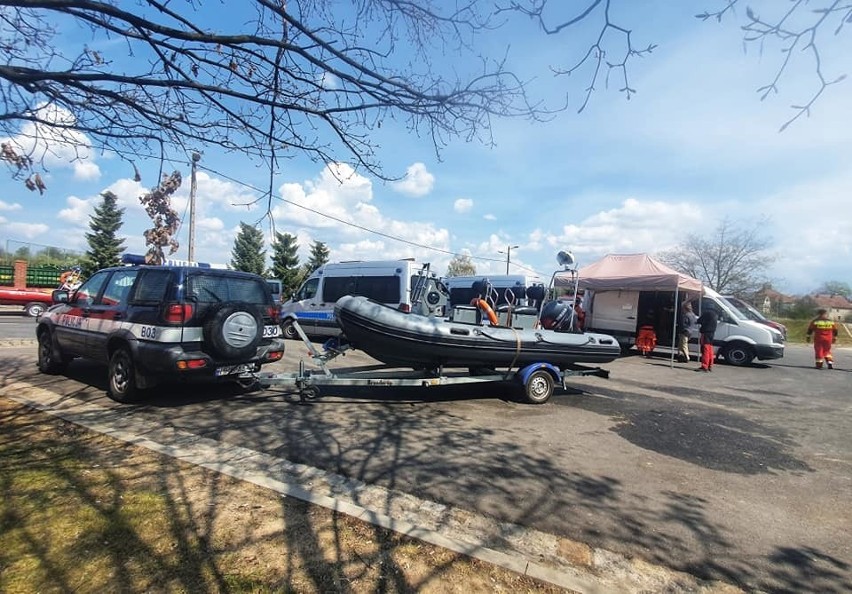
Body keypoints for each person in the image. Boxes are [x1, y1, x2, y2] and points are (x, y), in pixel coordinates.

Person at [696, 307, 718, 372]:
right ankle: (710, 365)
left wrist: (697, 322)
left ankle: (704, 366)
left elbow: (700, 320)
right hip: (712, 333)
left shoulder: (707, 313)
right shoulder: (715, 314)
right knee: (710, 349)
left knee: (705, 349)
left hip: (706, 333)